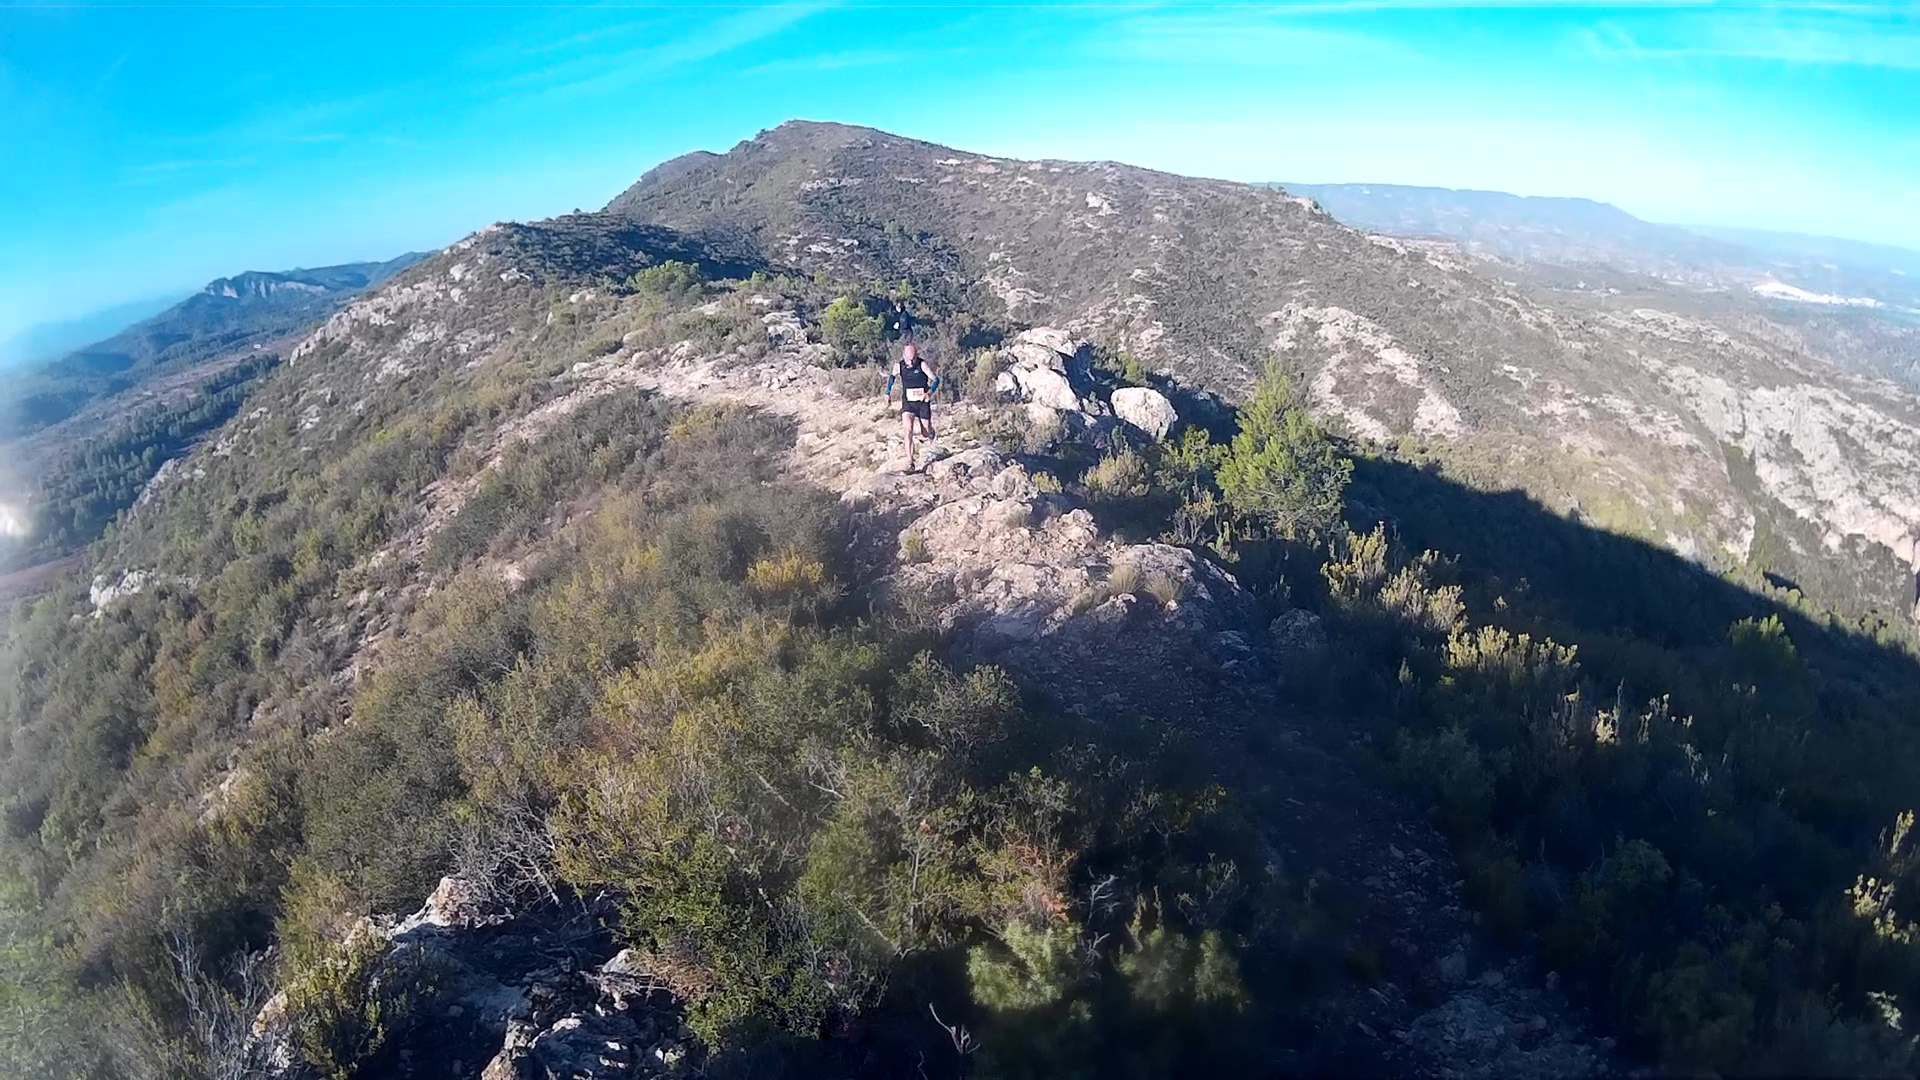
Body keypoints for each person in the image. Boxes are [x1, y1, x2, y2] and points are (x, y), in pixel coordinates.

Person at [883, 341, 940, 472]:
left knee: (925, 432)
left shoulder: (922, 364)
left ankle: (931, 432)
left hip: (922, 402)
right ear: (904, 356)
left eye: (913, 358)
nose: (911, 362)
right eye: (908, 359)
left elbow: (936, 380)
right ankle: (910, 462)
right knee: (907, 430)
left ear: (916, 355)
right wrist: (887, 393)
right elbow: (891, 378)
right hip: (908, 403)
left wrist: (930, 392)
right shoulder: (899, 366)